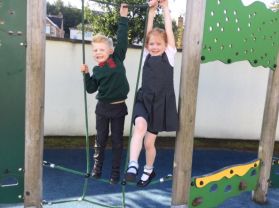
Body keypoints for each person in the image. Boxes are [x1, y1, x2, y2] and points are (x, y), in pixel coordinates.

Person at [124, 0, 178, 187]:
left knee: (149, 143)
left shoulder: (169, 55)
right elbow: (148, 32)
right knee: (139, 127)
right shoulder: (146, 55)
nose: (154, 46)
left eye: (158, 44)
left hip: (159, 104)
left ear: (165, 45)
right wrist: (151, 12)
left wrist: (164, 8)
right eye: (152, 44)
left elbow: (169, 31)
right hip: (144, 99)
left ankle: (148, 170)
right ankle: (132, 165)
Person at [80, 4, 129, 185]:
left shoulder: (117, 58)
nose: (97, 53)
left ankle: (115, 173)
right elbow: (91, 89)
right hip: (102, 108)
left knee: (117, 142)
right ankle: (97, 169)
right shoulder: (96, 69)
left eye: (101, 49)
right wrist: (86, 74)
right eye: (95, 50)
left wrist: (123, 17)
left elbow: (122, 38)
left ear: (109, 51)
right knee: (100, 140)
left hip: (118, 108)